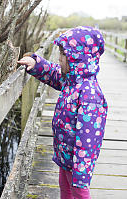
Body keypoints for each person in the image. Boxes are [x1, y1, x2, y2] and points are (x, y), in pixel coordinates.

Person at [17, 26, 108, 199]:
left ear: (78, 58)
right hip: (65, 156)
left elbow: (88, 141)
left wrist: (80, 175)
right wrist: (36, 64)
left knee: (79, 194)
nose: (59, 59)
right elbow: (53, 74)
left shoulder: (89, 94)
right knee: (64, 190)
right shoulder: (72, 81)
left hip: (77, 164)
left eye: (63, 54)